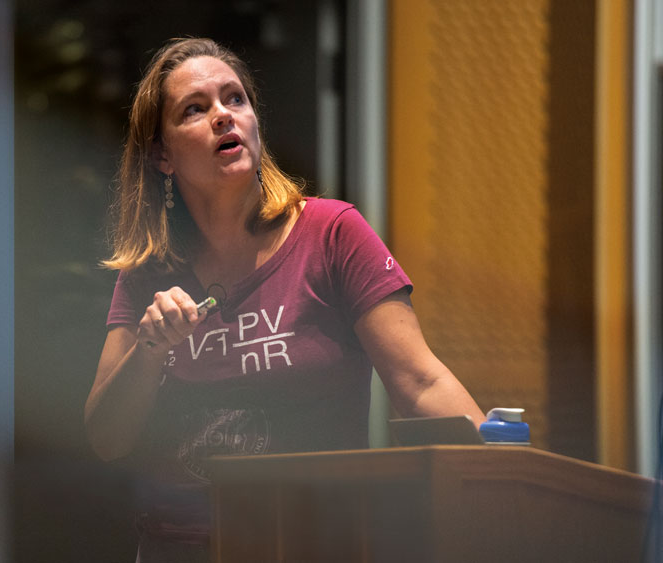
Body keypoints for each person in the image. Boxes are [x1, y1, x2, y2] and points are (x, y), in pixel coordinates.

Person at [84, 37, 485, 563]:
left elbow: (421, 382)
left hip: (315, 541)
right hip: (179, 547)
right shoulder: (148, 273)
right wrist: (150, 348)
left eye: (235, 99)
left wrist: (506, 480)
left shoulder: (332, 233)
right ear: (162, 154)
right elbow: (106, 438)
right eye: (195, 109)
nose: (224, 117)